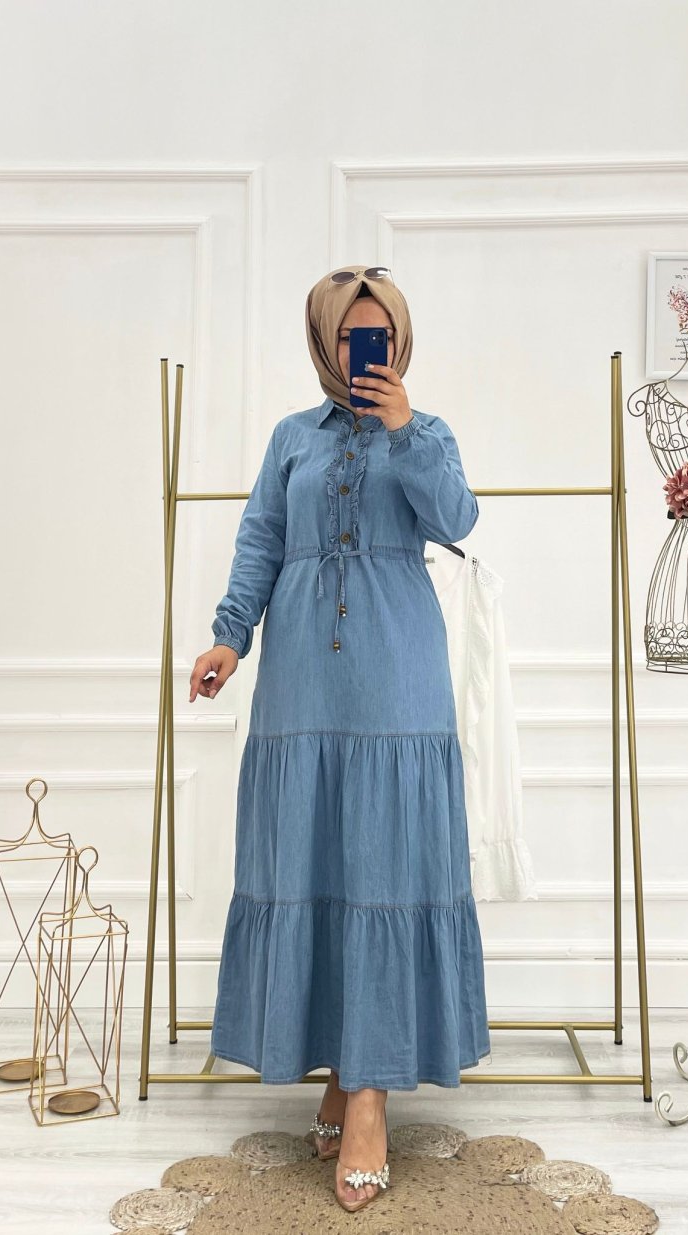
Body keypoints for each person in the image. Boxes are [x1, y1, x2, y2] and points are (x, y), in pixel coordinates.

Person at [189, 264, 491, 1213]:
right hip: (302, 685)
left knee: (384, 872)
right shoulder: (292, 437)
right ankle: (339, 1063)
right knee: (318, 863)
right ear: (326, 341)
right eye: (356, 336)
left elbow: (457, 518)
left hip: (397, 679)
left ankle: (369, 1095)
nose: (372, 351)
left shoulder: (426, 432)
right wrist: (230, 636)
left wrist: (403, 427)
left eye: (384, 336)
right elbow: (260, 541)